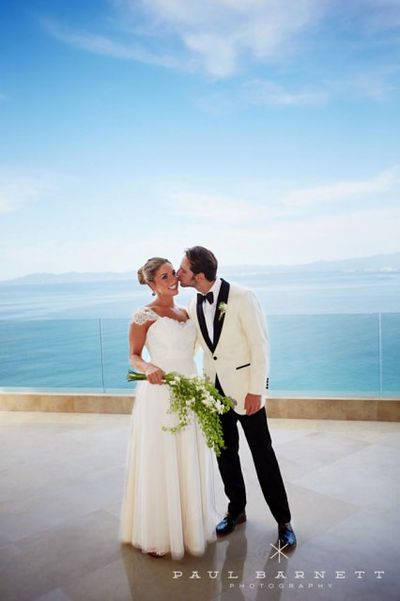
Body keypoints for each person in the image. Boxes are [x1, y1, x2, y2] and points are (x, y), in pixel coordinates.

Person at [177, 246, 297, 550]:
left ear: (199, 274)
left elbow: (260, 346)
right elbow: (199, 347)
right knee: (225, 455)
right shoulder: (192, 304)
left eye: (183, 269)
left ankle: (284, 522)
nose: (180, 274)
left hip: (247, 393)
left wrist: (257, 389)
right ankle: (236, 510)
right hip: (213, 394)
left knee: (263, 456)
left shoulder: (244, 296)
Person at [119, 257, 217, 559]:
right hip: (160, 395)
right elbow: (134, 355)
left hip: (189, 392)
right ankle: (159, 531)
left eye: (173, 273)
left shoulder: (185, 311)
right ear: (151, 284)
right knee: (161, 458)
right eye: (164, 277)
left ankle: (188, 525)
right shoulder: (143, 315)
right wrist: (147, 366)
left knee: (188, 454)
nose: (173, 279)